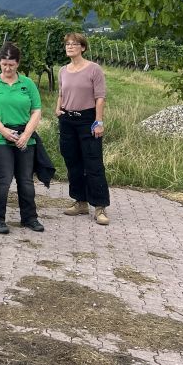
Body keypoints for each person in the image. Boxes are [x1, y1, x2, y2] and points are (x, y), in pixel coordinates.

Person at [0, 42, 45, 235]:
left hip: (25, 137)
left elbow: (36, 110)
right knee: (4, 178)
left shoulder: (27, 83)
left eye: (11, 65)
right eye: (4, 64)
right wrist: (3, 130)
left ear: (18, 64)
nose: (7, 69)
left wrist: (27, 134)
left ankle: (29, 218)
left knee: (26, 180)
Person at [57, 32, 111, 225]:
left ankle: (100, 206)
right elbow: (61, 93)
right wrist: (58, 108)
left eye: (74, 44)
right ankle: (80, 201)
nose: (70, 47)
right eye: (67, 44)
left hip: (87, 119)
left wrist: (99, 121)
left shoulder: (94, 69)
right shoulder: (63, 70)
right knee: (73, 162)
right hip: (67, 120)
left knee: (93, 163)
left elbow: (100, 97)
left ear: (83, 47)